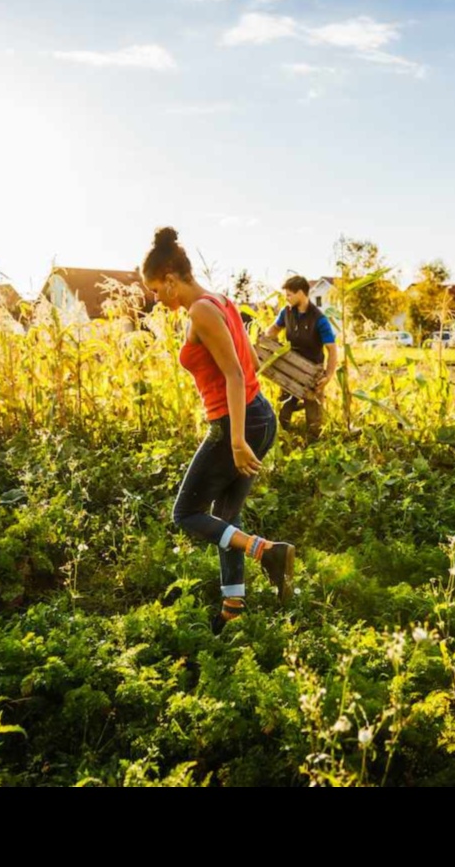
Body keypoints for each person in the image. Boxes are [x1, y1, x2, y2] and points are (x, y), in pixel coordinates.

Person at [141, 226, 296, 634]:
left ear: (171, 280)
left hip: (238, 421)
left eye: (157, 290)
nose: (157, 300)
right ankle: (232, 608)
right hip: (256, 414)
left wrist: (237, 439)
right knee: (227, 516)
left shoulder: (202, 311)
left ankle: (268, 553)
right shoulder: (221, 301)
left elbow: (232, 373)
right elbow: (238, 369)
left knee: (186, 513)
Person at [265, 275, 338, 441]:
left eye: (289, 295)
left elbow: (332, 350)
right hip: (290, 368)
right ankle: (283, 441)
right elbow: (274, 329)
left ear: (300, 293)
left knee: (314, 417)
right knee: (284, 407)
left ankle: (314, 445)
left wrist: (328, 375)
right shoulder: (286, 312)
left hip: (313, 371)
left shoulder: (319, 320)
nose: (287, 298)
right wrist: (265, 337)